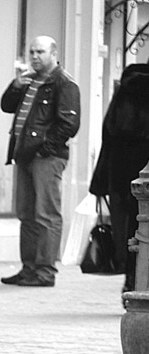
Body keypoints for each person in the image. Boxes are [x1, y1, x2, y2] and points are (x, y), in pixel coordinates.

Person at [0, 35, 80, 287]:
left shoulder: (63, 83)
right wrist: (15, 86)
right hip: (23, 154)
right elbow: (6, 106)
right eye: (32, 52)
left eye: (40, 52)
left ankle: (45, 272)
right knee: (26, 213)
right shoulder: (29, 81)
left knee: (46, 214)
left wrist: (45, 148)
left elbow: (69, 123)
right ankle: (28, 268)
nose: (34, 57)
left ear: (53, 54)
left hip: (46, 157)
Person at [90, 63, 149, 294]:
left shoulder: (125, 88)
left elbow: (108, 137)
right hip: (142, 172)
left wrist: (100, 181)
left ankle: (132, 281)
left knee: (129, 234)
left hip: (122, 177)